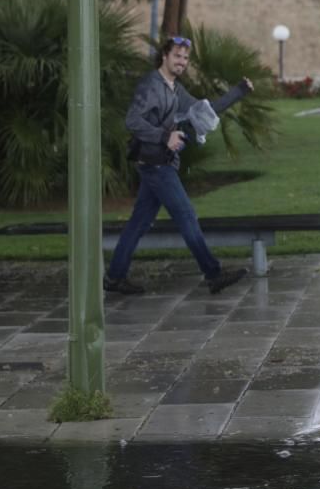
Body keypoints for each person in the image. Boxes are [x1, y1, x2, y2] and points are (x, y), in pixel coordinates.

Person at [104, 35, 253, 295]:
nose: (182, 62)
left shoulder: (175, 89)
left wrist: (238, 91)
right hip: (153, 164)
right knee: (186, 216)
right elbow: (132, 120)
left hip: (162, 163)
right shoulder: (151, 85)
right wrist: (165, 136)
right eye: (177, 56)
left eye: (185, 58)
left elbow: (204, 111)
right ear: (165, 56)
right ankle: (213, 274)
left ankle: (114, 277)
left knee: (139, 223)